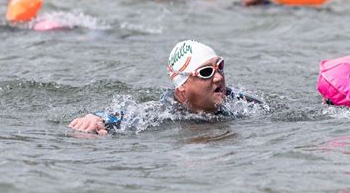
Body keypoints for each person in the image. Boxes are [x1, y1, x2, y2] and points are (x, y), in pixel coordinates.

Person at [68, 40, 262, 135]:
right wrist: (95, 120)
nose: (219, 77)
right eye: (205, 73)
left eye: (219, 66)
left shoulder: (240, 101)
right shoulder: (165, 112)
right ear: (182, 88)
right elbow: (124, 115)